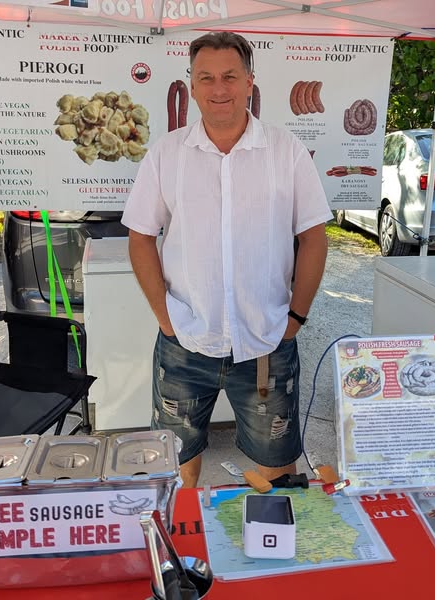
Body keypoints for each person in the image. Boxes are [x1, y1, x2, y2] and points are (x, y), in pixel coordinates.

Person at [121, 31, 332, 488]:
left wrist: (295, 318)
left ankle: (272, 534)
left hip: (266, 342)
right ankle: (183, 534)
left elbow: (314, 237)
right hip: (184, 340)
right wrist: (166, 318)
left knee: (278, 471)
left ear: (250, 81)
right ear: (192, 85)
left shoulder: (286, 151)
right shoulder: (167, 154)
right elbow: (140, 238)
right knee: (173, 469)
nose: (219, 89)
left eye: (230, 77)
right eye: (207, 78)